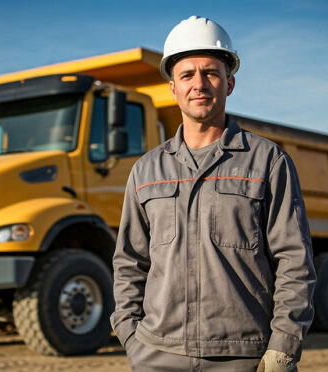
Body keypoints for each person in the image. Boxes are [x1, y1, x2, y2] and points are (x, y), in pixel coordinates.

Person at [110, 16, 316, 372]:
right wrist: (130, 335)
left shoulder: (267, 162)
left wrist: (283, 346)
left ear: (229, 83)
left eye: (211, 73)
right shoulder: (146, 171)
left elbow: (294, 261)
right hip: (158, 355)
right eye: (187, 75)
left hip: (244, 357)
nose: (199, 84)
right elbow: (129, 262)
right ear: (172, 88)